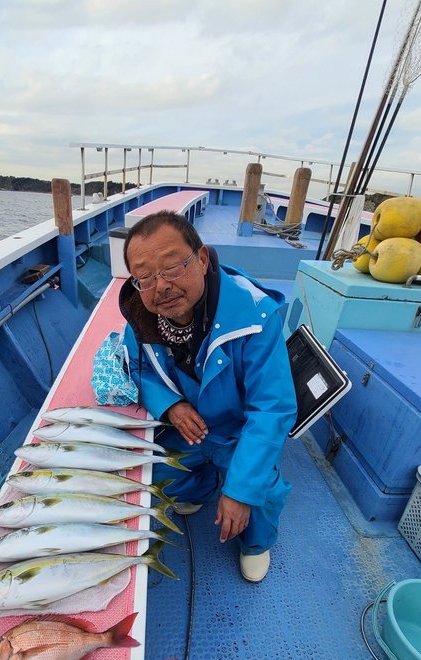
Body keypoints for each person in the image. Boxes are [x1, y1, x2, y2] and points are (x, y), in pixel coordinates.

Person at [119, 211, 297, 582]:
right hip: (187, 429)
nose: (161, 286)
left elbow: (271, 409)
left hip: (237, 432)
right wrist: (170, 405)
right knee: (155, 474)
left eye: (172, 267)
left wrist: (241, 492)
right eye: (145, 277)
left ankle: (256, 543)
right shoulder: (139, 318)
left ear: (202, 259)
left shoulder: (256, 315)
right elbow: (138, 369)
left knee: (258, 493)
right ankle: (200, 487)